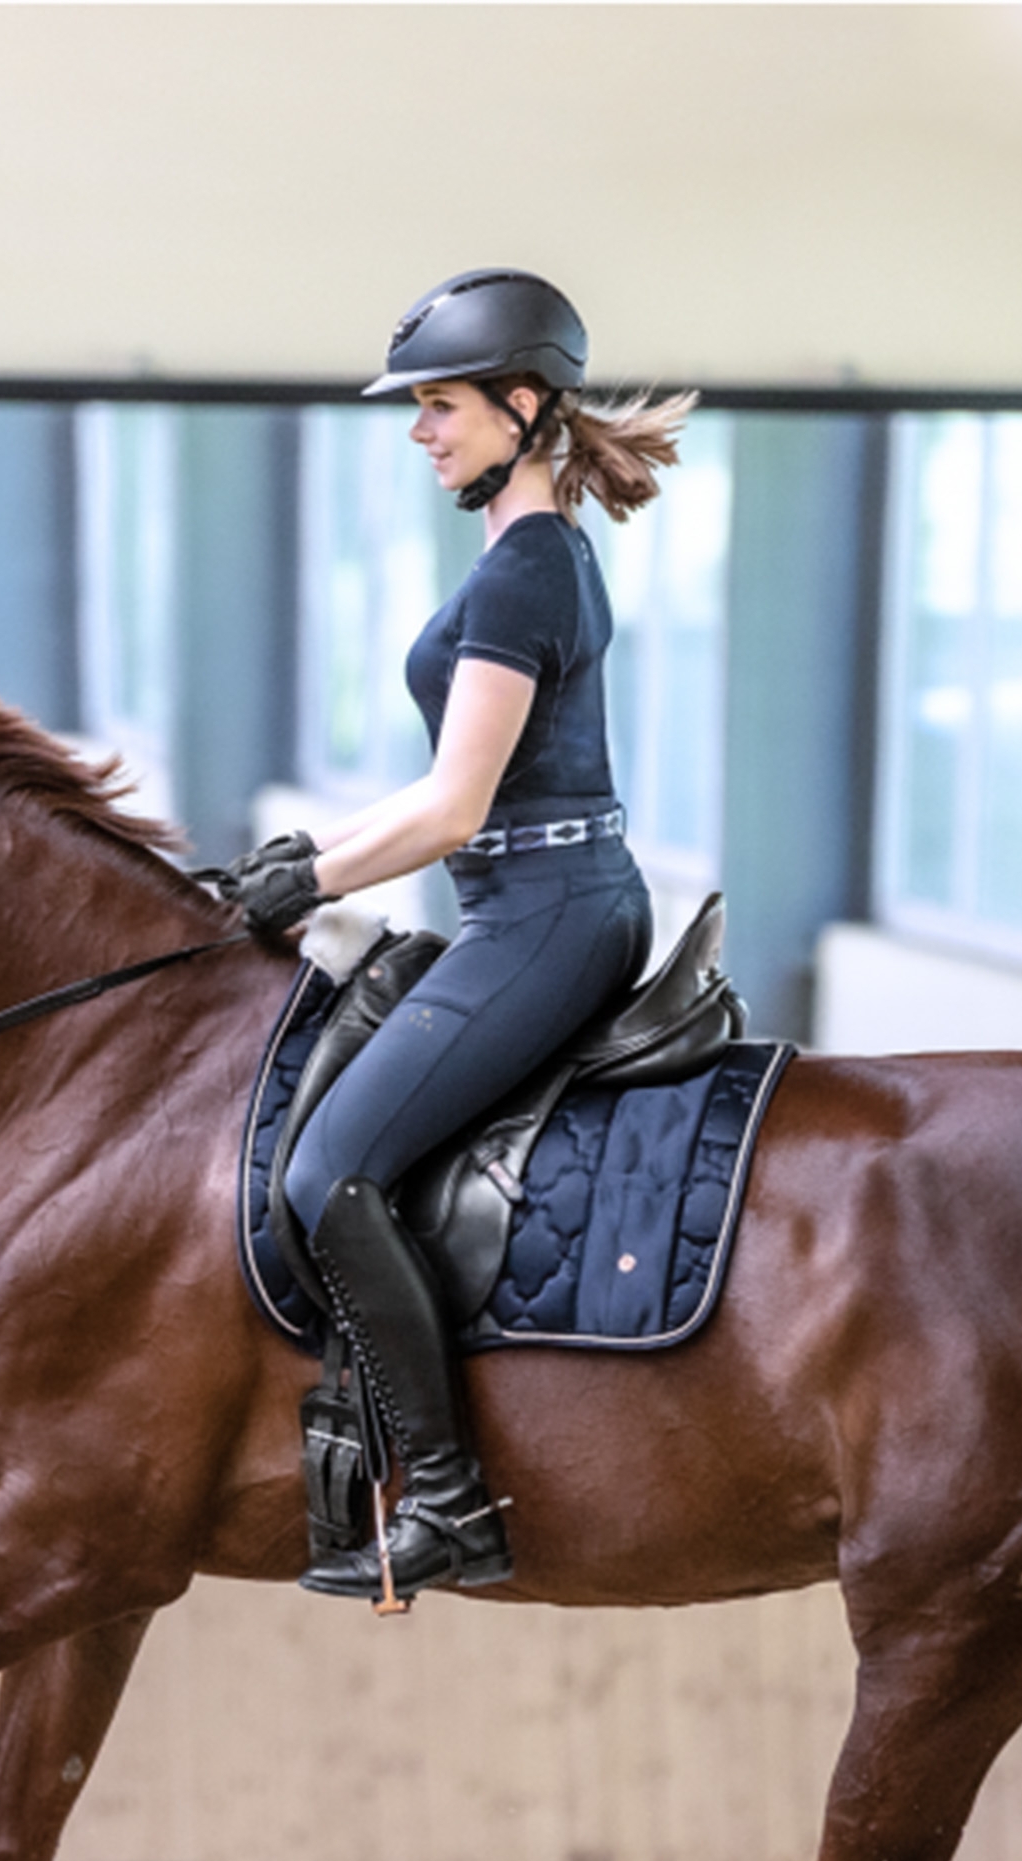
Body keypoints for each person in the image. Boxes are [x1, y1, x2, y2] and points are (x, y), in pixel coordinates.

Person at [225, 267, 696, 1604]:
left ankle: (446, 1499)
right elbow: (445, 793)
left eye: (440, 406)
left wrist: (308, 882)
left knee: (330, 1174)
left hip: (546, 916)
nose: (420, 430)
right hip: (539, 901)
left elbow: (455, 808)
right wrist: (300, 858)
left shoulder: (528, 571)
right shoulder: (524, 559)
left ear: (522, 405)